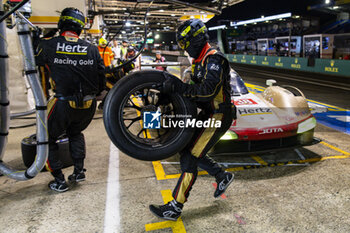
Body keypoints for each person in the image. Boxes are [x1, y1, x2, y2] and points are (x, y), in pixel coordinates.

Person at [149, 19, 235, 220]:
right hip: (208, 114)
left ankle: (174, 207)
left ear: (195, 40)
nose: (185, 49)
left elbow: (206, 92)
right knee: (187, 149)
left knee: (189, 158)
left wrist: (178, 87)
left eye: (185, 44)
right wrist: (168, 92)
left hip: (219, 116)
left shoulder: (215, 59)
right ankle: (222, 176)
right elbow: (190, 91)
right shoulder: (199, 61)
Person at [35, 7, 106, 192]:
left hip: (62, 103)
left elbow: (35, 60)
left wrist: (38, 38)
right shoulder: (91, 49)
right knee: (75, 133)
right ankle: (78, 171)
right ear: (80, 28)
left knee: (47, 138)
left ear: (62, 23)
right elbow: (102, 80)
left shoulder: (49, 45)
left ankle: (59, 179)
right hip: (88, 105)